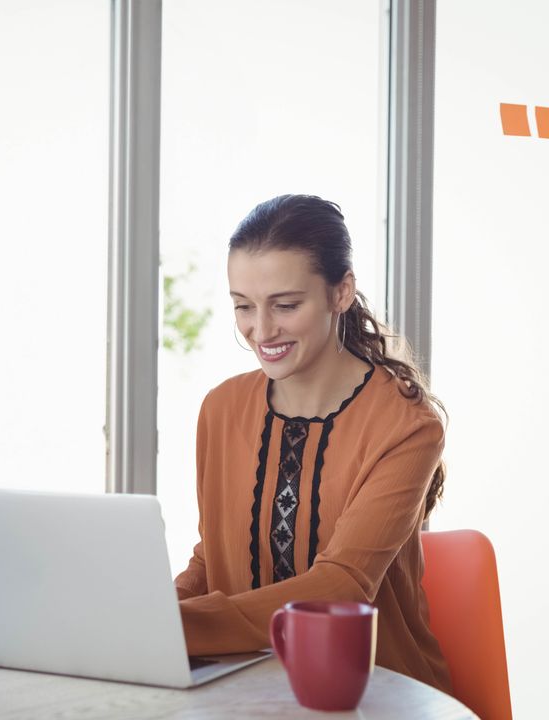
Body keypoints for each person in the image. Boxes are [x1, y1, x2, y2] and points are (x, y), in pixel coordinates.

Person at [174, 194, 451, 694]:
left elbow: (342, 586)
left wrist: (179, 627)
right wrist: (143, 618)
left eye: (285, 305)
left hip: (374, 693)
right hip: (242, 689)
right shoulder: (220, 408)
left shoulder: (408, 425)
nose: (260, 330)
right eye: (243, 306)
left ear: (340, 293)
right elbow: (209, 562)